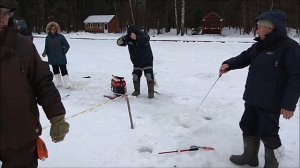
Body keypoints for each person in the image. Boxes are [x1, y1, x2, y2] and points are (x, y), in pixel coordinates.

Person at [219, 9, 300, 168]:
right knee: (247, 125)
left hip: (271, 101)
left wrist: (289, 104)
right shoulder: (259, 45)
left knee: (268, 132)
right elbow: (244, 57)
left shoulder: (289, 48)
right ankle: (249, 157)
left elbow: (296, 77)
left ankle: (271, 164)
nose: (257, 29)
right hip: (252, 97)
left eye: (260, 27)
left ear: (271, 28)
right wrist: (229, 64)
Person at [0, 0, 69, 167]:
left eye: (5, 13)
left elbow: (43, 82)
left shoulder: (23, 45)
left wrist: (57, 117)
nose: (2, 19)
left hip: (20, 133)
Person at [117, 25, 155, 98]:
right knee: (135, 76)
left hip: (147, 60)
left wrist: (137, 38)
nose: (131, 36)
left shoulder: (143, 35)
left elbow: (146, 39)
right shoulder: (129, 37)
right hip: (136, 62)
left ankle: (151, 93)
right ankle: (136, 91)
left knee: (149, 76)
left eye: (132, 34)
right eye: (130, 34)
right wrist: (120, 41)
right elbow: (121, 41)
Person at [42, 21, 71, 88]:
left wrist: (63, 52)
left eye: (54, 28)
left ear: (56, 29)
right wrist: (44, 53)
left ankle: (67, 83)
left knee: (63, 70)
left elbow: (67, 45)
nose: (53, 30)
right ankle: (59, 83)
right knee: (55, 70)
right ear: (49, 29)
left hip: (61, 57)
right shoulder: (47, 38)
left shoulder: (61, 36)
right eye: (52, 29)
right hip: (52, 57)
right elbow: (46, 47)